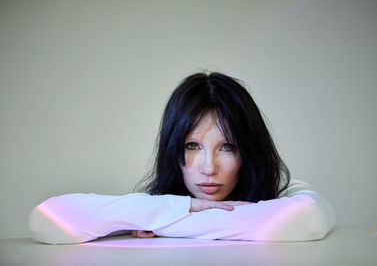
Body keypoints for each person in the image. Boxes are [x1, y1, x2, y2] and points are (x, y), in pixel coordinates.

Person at [29, 72, 335, 244]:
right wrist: (178, 207)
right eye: (192, 146)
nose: (208, 168)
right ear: (173, 149)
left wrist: (166, 221)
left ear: (249, 150)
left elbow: (310, 220)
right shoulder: (157, 205)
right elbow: (45, 220)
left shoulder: (283, 190)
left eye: (227, 147)